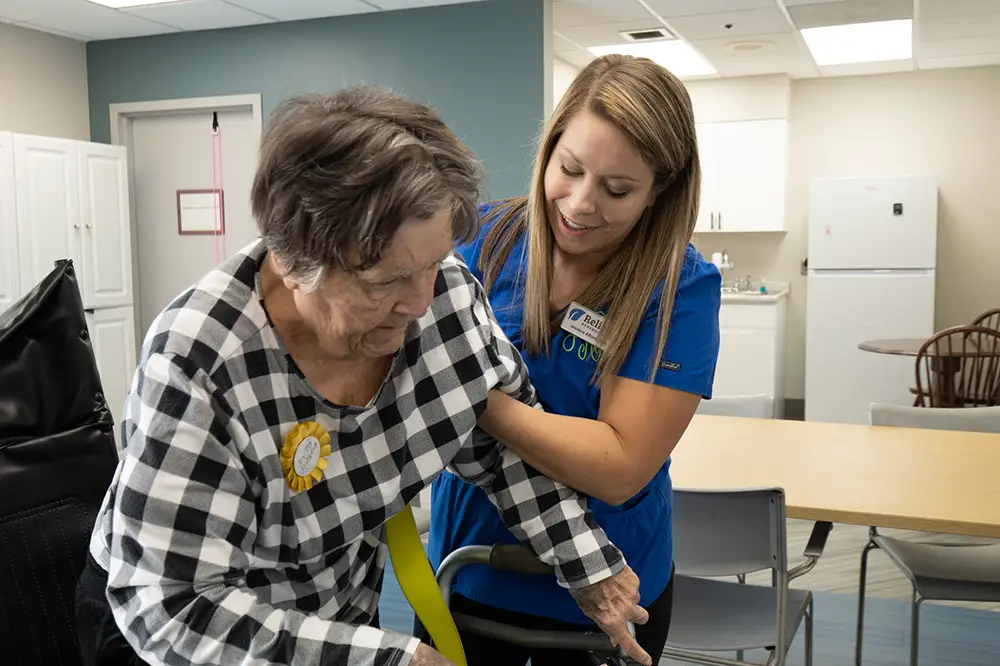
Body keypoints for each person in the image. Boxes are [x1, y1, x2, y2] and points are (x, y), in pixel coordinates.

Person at [74, 85, 654, 666]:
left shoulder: (446, 296)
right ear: (293, 260)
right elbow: (177, 607)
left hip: (337, 606)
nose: (421, 301)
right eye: (386, 281)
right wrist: (387, 661)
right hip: (185, 631)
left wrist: (586, 564)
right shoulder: (201, 364)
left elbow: (500, 446)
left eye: (433, 264)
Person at [427, 54, 722, 665]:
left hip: (610, 589)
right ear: (551, 144)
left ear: (658, 191)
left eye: (617, 190)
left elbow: (619, 465)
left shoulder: (679, 290)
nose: (582, 204)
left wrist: (475, 397)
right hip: (469, 567)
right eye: (570, 169)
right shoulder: (482, 238)